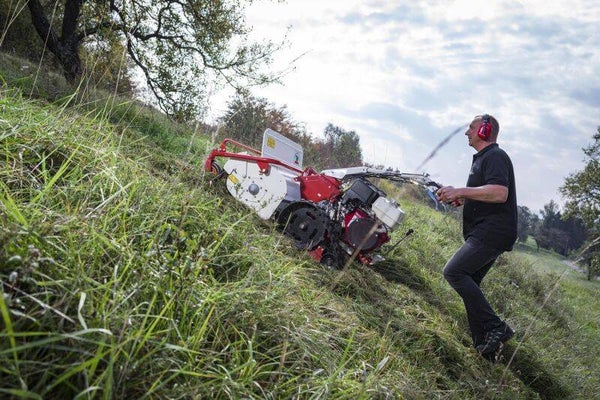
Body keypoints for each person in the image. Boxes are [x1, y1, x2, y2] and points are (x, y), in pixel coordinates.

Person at [435, 114, 518, 360]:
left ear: (484, 130)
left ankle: (496, 327)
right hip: (489, 230)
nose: (466, 132)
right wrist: (463, 198)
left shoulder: (495, 156)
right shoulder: (483, 159)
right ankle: (485, 347)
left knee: (454, 272)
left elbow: (499, 193)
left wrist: (460, 190)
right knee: (469, 280)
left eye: (471, 127)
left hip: (492, 231)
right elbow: (486, 193)